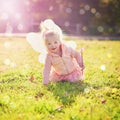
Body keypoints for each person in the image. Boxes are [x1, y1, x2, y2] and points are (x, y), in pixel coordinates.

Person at [26, 19, 85, 85]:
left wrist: (80, 63)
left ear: (59, 41)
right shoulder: (49, 56)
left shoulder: (67, 49)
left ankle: (72, 79)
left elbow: (76, 54)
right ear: (45, 45)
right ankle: (63, 80)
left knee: (75, 81)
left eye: (55, 42)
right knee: (61, 83)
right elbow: (47, 70)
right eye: (49, 44)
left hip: (72, 72)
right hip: (60, 75)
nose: (53, 45)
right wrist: (45, 82)